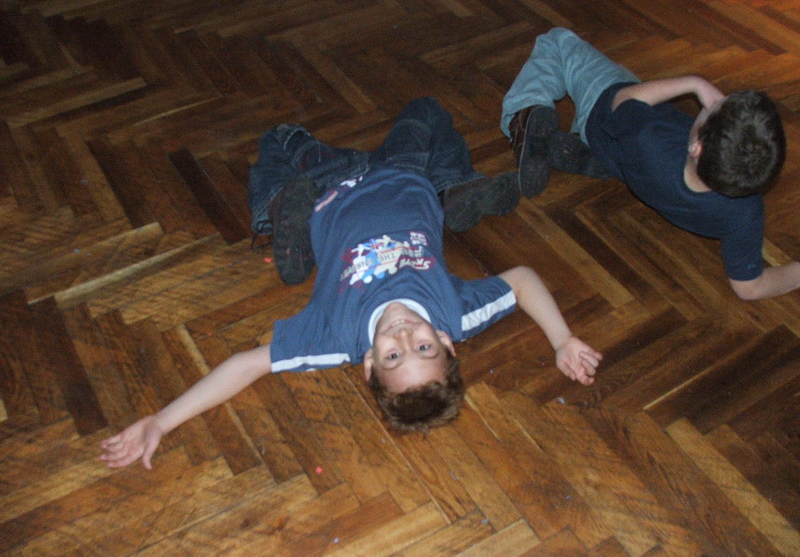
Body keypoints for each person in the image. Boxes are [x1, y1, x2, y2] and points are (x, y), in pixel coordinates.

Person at [99, 97, 603, 469]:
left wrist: (161, 421)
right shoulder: (457, 312)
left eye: (392, 356)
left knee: (279, 138)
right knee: (428, 109)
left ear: (367, 364)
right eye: (423, 347)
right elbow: (522, 280)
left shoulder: (335, 339)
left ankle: (281, 214)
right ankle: (453, 187)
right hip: (404, 173)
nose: (403, 335)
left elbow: (246, 365)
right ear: (446, 341)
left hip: (331, 185)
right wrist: (562, 339)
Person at [501, 27, 798, 301]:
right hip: (625, 162)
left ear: (696, 147)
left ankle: (520, 119)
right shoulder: (744, 211)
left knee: (558, 42)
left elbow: (623, 100)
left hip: (602, 116)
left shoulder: (649, 135)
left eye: (713, 107)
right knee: (627, 82)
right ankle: (585, 155)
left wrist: (695, 83)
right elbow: (749, 287)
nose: (713, 101)